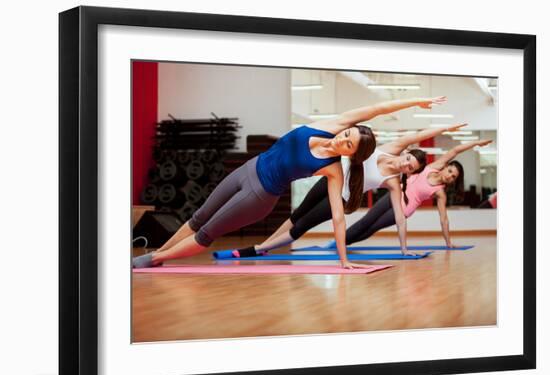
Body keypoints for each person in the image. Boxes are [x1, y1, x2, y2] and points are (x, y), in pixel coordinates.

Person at [132, 96, 447, 269]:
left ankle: (152, 258)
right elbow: (377, 109)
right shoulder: (331, 125)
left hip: (260, 194)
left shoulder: (334, 170)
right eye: (347, 135)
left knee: (207, 232)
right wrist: (416, 101)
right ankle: (162, 251)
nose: (343, 140)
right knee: (198, 216)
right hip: (247, 168)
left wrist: (344, 259)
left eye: (348, 145)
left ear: (352, 155)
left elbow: (338, 216)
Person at [234, 123, 467, 257]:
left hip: (341, 197)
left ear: (410, 172)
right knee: (296, 215)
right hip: (328, 179)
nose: (405, 164)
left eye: (410, 168)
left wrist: (404, 248)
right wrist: (447, 128)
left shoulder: (394, 183)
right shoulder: (390, 148)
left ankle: (258, 248)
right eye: (408, 159)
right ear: (405, 153)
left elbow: (400, 217)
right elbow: (418, 135)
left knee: (303, 226)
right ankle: (267, 245)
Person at [336, 139, 493, 249]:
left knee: (372, 228)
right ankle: (337, 242)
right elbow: (455, 150)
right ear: (446, 167)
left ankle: (344, 244)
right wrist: (476, 143)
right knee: (366, 220)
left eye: (453, 177)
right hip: (394, 196)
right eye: (450, 171)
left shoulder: (440, 192)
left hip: (405, 209)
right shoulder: (433, 166)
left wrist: (448, 242)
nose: (449, 176)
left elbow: (444, 219)